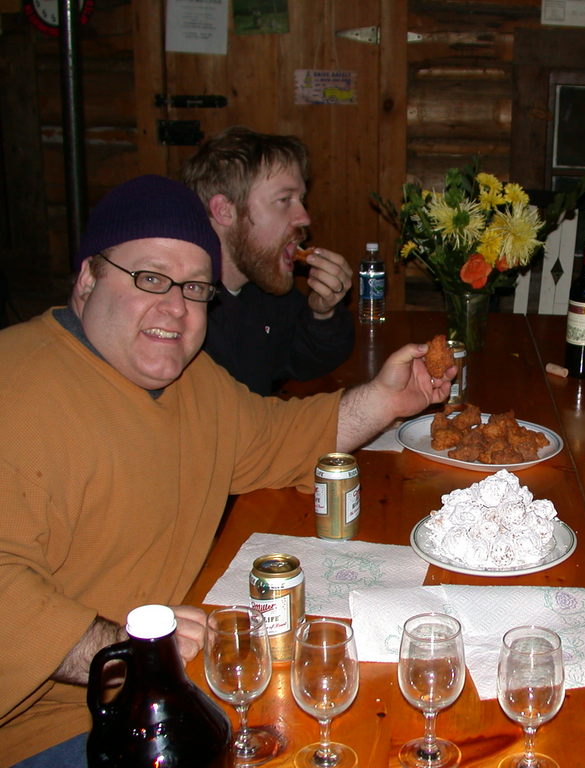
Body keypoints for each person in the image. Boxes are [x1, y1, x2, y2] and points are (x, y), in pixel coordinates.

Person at [0, 175, 451, 767]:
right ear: (87, 279)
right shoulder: (18, 384)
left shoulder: (194, 384)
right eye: (150, 278)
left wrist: (388, 400)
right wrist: (136, 652)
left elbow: (279, 437)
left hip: (185, 685)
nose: (174, 308)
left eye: (194, 288)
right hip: (67, 727)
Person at [180, 126, 356, 395]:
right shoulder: (183, 311)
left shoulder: (261, 287)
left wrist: (323, 312)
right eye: (284, 199)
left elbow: (306, 362)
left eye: (301, 200)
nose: (304, 217)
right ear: (224, 211)